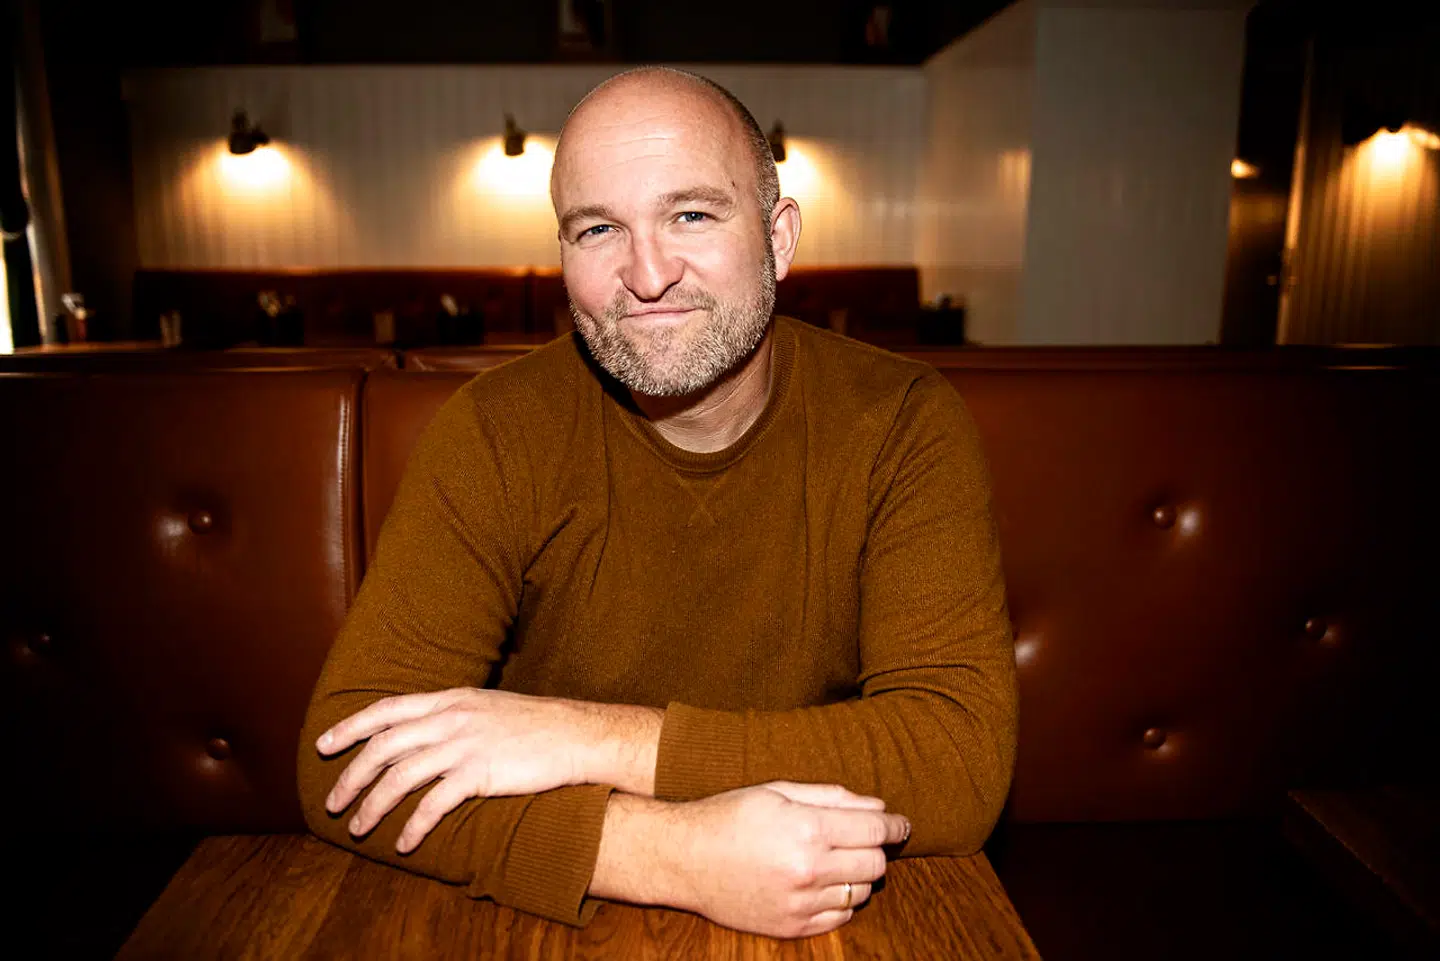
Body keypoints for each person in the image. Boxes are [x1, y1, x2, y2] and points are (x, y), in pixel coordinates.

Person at [297, 66, 1017, 941]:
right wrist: (669, 853)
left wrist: (585, 738)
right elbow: (344, 759)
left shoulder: (902, 421)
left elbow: (955, 759)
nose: (646, 275)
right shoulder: (494, 429)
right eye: (599, 228)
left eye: (692, 215)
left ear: (780, 238)